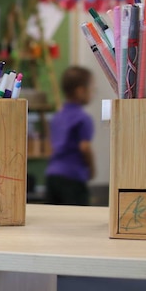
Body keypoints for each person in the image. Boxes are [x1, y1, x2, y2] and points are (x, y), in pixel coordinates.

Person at [45, 65, 95, 205]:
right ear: (80, 91)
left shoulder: (58, 116)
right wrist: (92, 169)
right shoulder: (83, 118)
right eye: (91, 89)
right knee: (79, 220)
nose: (93, 92)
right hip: (72, 176)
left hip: (52, 175)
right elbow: (85, 147)